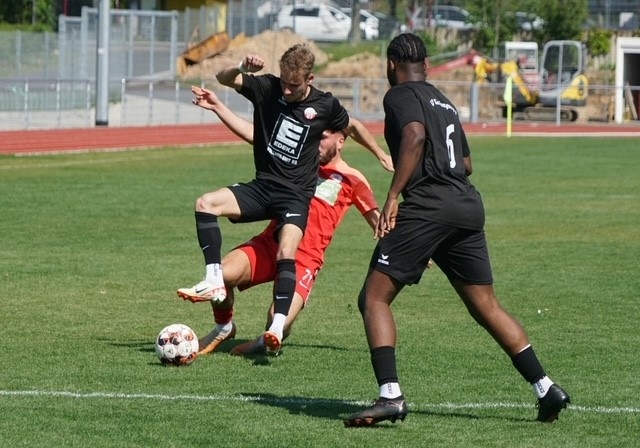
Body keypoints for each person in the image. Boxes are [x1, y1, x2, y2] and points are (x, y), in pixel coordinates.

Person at [343, 33, 570, 427]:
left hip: (429, 206)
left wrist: (394, 195)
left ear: (391, 64)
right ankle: (545, 387)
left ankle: (390, 396)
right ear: (426, 64)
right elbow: (465, 163)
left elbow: (414, 136)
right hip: (465, 205)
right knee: (487, 306)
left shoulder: (399, 95)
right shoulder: (443, 101)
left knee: (374, 298)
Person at [178, 44, 391, 355]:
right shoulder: (299, 153)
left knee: (275, 321)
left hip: (305, 259)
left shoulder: (353, 179)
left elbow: (377, 221)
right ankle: (224, 325)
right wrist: (222, 103)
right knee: (222, 274)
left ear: (340, 139)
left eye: (324, 136)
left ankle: (264, 340)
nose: (317, 140)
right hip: (270, 241)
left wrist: (381, 155)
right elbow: (257, 134)